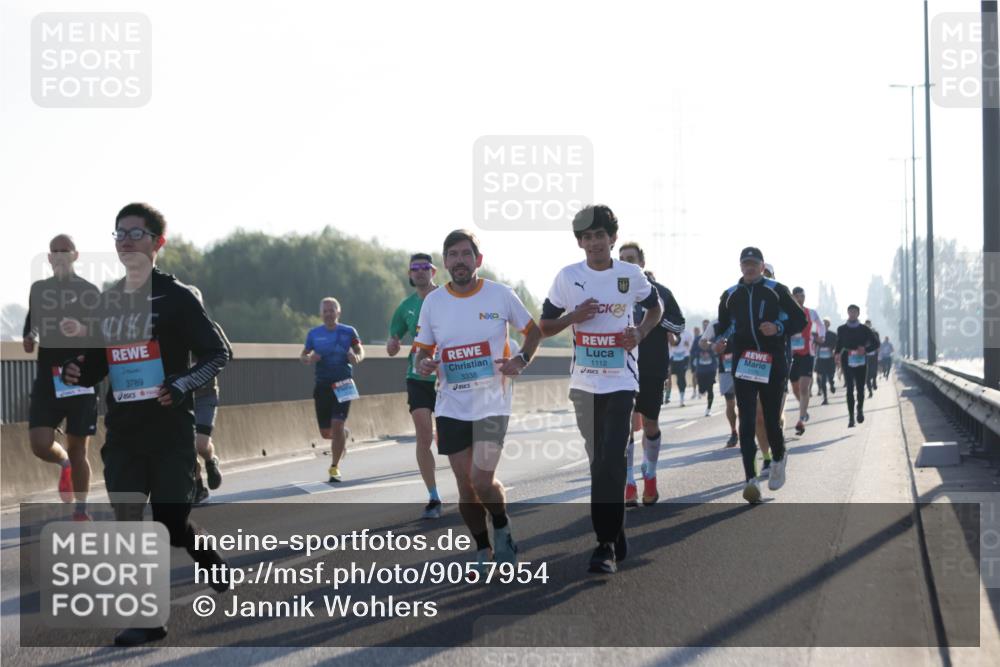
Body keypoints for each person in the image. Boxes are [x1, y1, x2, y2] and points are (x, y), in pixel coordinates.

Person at [62, 203, 230, 646]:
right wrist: (80, 370)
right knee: (129, 521)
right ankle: (148, 618)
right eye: (119, 233)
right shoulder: (109, 301)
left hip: (171, 431)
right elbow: (99, 362)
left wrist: (181, 383)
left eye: (135, 233)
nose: (125, 240)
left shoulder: (177, 297)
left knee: (171, 523)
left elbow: (218, 353)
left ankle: (203, 552)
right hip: (124, 433)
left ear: (158, 243)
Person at [540, 205, 663, 574]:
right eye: (587, 237)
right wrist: (574, 317)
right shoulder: (568, 277)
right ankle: (616, 530)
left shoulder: (630, 275)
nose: (594, 242)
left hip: (622, 381)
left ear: (612, 238)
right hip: (583, 385)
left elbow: (655, 309)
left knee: (612, 456)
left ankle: (604, 545)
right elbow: (544, 326)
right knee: (599, 462)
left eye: (600, 236)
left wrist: (640, 332)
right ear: (580, 242)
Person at [413, 230, 540, 571]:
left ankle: (501, 524)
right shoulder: (433, 303)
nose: (459, 261)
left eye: (466, 254)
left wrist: (521, 360)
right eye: (453, 255)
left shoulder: (500, 295)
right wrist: (423, 363)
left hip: (492, 404)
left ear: (478, 260)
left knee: (482, 480)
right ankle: (482, 549)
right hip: (451, 405)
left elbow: (534, 331)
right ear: (445, 262)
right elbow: (422, 350)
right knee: (466, 487)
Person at [712, 247, 806, 504]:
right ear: (740, 267)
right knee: (747, 420)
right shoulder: (730, 295)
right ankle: (750, 479)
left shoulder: (777, 290)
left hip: (772, 362)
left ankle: (779, 457)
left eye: (754, 263)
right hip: (744, 363)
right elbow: (724, 326)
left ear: (762, 266)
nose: (750, 267)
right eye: (746, 264)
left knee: (771, 420)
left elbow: (800, 320)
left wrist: (778, 327)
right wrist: (720, 342)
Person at [23, 234, 101, 519]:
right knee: (40, 444)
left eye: (64, 251)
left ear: (75, 255)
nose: (59, 255)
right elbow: (32, 326)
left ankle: (81, 510)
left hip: (80, 378)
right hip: (48, 378)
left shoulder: (89, 291)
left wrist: (82, 329)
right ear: (49, 257)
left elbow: (103, 333)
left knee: (79, 449)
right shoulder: (40, 289)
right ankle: (63, 462)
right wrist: (29, 337)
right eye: (54, 251)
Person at [617, 242, 685, 508]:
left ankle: (651, 475)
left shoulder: (661, 293)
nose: (627, 263)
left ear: (642, 262)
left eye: (631, 258)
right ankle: (629, 484)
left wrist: (654, 319)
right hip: (620, 368)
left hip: (652, 367)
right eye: (622, 259)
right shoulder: (612, 290)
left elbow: (679, 323)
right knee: (624, 428)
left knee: (650, 425)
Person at [387, 252, 442, 520]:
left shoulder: (447, 297)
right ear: (409, 274)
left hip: (448, 377)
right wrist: (393, 343)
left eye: (424, 267)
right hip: (418, 377)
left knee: (452, 438)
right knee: (423, 437)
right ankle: (433, 497)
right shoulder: (406, 306)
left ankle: (470, 486)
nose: (419, 271)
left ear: (433, 271)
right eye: (414, 268)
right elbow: (393, 341)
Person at [301, 298, 365, 483]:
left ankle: (334, 467)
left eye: (332, 310)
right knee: (326, 433)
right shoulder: (314, 334)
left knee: (337, 424)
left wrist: (357, 357)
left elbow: (360, 350)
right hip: (323, 385)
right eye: (325, 311)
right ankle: (342, 435)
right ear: (321, 314)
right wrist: (308, 359)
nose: (329, 314)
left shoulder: (348, 331)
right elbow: (303, 355)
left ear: (338, 312)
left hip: (344, 383)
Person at [186, 286, 232, 505]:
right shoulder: (172, 331)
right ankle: (198, 486)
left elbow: (227, 354)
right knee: (186, 445)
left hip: (206, 394)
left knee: (201, 444)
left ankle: (211, 460)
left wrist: (204, 359)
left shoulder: (211, 327)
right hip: (182, 396)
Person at [788, 287, 825, 436]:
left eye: (802, 296)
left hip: (808, 354)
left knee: (804, 388)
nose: (799, 298)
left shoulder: (811, 313)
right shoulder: (787, 312)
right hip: (792, 354)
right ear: (792, 297)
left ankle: (801, 420)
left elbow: (821, 325)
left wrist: (821, 337)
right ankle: (803, 409)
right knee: (795, 388)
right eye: (797, 296)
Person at [835, 307, 879, 427]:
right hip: (847, 359)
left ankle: (859, 409)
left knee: (860, 388)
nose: (852, 314)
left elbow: (876, 343)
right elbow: (839, 344)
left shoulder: (865, 329)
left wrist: (865, 349)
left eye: (855, 312)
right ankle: (851, 417)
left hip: (861, 360)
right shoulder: (841, 329)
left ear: (858, 314)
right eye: (850, 312)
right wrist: (837, 354)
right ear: (847, 313)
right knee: (849, 388)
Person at [668, 328, 693, 407]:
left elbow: (691, 346)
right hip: (673, 357)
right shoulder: (670, 332)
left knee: (681, 377)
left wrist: (688, 345)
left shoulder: (688, 333)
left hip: (684, 357)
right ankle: (667, 395)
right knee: (667, 376)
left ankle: (682, 398)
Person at [815, 318, 838, 405]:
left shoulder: (833, 335)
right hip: (821, 359)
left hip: (830, 359)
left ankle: (832, 384)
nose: (824, 325)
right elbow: (813, 344)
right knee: (823, 379)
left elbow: (837, 345)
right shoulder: (817, 335)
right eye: (823, 324)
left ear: (828, 325)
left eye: (826, 324)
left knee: (831, 375)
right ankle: (825, 398)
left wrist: (833, 350)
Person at [694, 337, 718, 417]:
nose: (704, 343)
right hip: (700, 371)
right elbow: (692, 352)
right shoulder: (697, 344)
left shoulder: (712, 344)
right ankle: (702, 391)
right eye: (702, 342)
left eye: (706, 342)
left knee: (710, 389)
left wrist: (710, 346)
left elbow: (717, 352)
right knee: (701, 390)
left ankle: (708, 409)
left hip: (711, 371)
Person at [864, 320, 881, 396]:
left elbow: (878, 344)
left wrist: (878, 351)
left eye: (868, 324)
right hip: (865, 356)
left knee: (873, 371)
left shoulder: (875, 333)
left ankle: (874, 381)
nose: (867, 326)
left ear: (870, 325)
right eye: (866, 325)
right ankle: (870, 391)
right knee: (867, 375)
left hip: (874, 355)